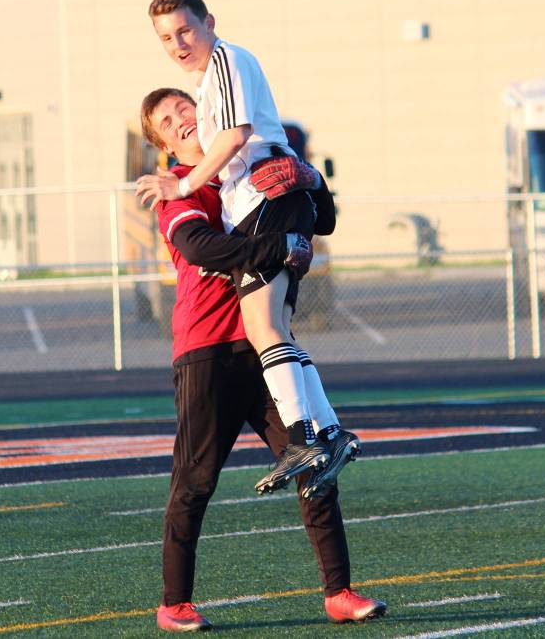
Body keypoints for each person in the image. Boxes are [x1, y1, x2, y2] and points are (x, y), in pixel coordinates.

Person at [141, 87, 386, 632]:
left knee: (315, 465)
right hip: (207, 351)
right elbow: (204, 249)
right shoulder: (178, 191)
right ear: (160, 141)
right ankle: (173, 602)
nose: (181, 119)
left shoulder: (238, 169)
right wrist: (277, 248)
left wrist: (313, 182)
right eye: (166, 119)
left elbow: (319, 221)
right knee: (195, 480)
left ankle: (339, 591)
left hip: (264, 350)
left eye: (186, 107)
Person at [136, 0, 358, 495]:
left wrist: (184, 181)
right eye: (167, 37)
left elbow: (237, 137)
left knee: (263, 328)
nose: (178, 43)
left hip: (264, 202)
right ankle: (327, 432)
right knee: (275, 327)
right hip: (269, 203)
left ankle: (306, 437)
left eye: (185, 29)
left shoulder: (224, 61)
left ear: (209, 22)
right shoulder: (211, 77)